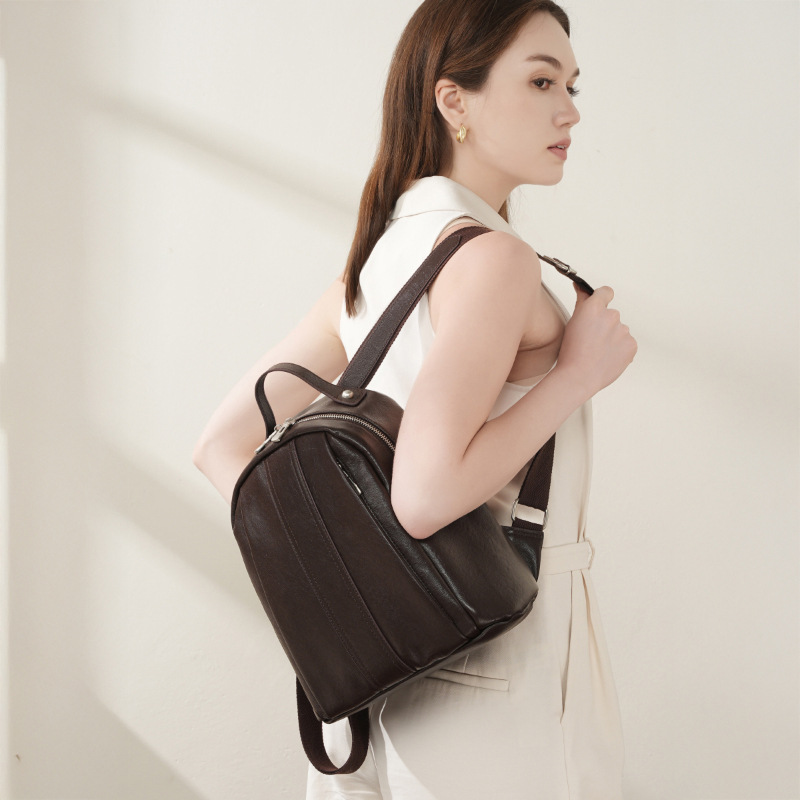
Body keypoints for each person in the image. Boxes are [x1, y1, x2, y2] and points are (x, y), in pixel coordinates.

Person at [194, 0, 637, 797]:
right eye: (541, 81)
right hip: (497, 670)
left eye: (572, 85)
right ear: (453, 100)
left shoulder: (378, 258)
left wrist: (347, 578)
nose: (570, 111)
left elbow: (220, 446)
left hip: (373, 676)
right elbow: (426, 496)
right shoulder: (496, 259)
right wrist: (576, 375)